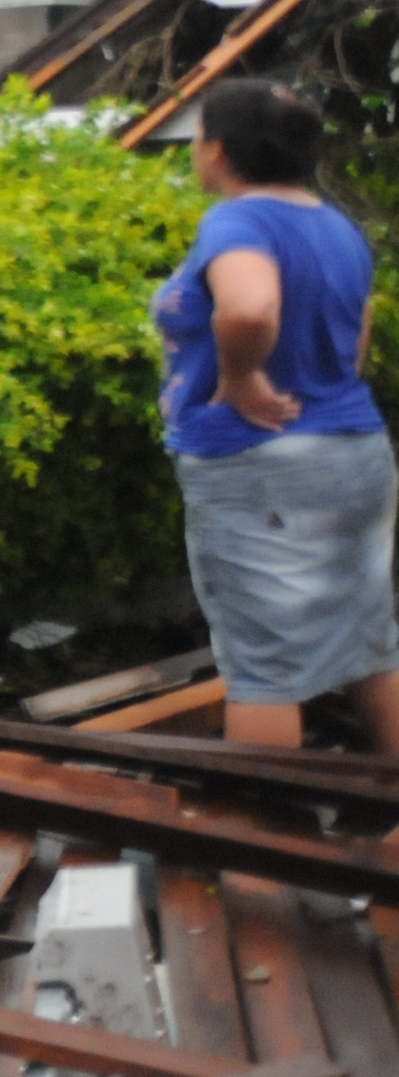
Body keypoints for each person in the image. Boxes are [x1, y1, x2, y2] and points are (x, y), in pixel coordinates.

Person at [154, 78, 399, 750]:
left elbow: (250, 306)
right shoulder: (334, 224)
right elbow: (360, 327)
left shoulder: (239, 220)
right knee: (371, 643)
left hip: (259, 465)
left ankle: (260, 850)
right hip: (353, 451)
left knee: (264, 668)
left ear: (220, 150)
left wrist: (239, 378)